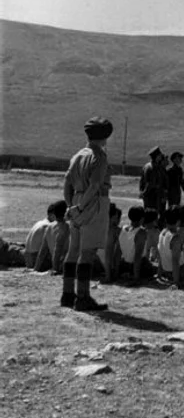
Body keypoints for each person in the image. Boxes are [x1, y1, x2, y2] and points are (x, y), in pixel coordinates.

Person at [61, 116, 113, 311]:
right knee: (88, 250)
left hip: (76, 201)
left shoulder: (78, 155)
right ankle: (83, 297)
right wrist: (82, 206)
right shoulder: (99, 156)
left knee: (73, 248)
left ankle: (67, 294)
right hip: (93, 202)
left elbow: (67, 183)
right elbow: (95, 185)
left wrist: (71, 205)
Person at [117, 205, 155, 282]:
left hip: (124, 265)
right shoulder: (141, 232)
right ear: (142, 219)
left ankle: (127, 273)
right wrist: (136, 278)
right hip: (139, 266)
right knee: (153, 268)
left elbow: (118, 252)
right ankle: (134, 275)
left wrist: (116, 272)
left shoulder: (123, 229)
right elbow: (137, 256)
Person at [35, 200, 70, 274]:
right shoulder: (66, 227)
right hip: (63, 265)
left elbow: (42, 251)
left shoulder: (49, 227)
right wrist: (55, 269)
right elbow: (58, 250)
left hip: (56, 264)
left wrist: (36, 269)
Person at [24, 203, 57, 269]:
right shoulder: (47, 226)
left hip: (28, 260)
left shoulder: (39, 223)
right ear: (52, 215)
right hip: (35, 261)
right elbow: (49, 249)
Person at [140, 146, 167, 218]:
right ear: (157, 156)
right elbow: (150, 183)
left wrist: (142, 192)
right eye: (160, 155)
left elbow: (142, 181)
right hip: (152, 195)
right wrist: (144, 193)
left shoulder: (148, 166)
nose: (161, 156)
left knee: (150, 214)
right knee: (151, 215)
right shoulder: (153, 167)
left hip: (151, 195)